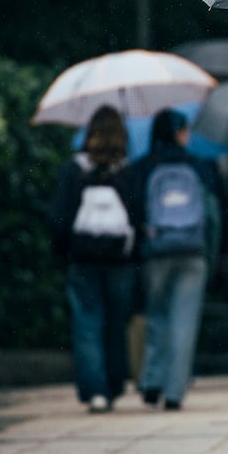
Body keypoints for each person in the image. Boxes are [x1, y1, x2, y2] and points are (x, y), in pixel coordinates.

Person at [49, 105, 141, 413]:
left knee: (87, 323)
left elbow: (60, 218)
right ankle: (113, 385)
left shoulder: (75, 170)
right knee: (116, 324)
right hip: (119, 261)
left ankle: (95, 390)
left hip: (82, 259)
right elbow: (138, 218)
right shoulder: (127, 171)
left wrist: (64, 252)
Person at [129, 108, 222, 411]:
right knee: (184, 322)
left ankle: (151, 381)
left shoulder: (142, 167)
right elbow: (213, 215)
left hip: (156, 252)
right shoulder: (200, 167)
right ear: (180, 132)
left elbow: (133, 213)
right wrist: (212, 253)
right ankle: (174, 392)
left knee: (156, 316)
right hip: (193, 253)